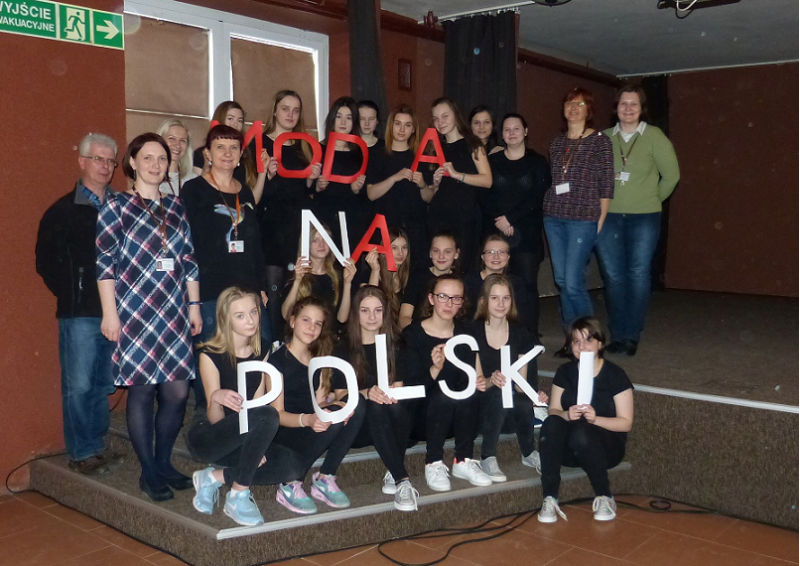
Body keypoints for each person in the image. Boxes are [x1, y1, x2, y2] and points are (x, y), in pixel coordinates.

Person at [96, 133, 202, 501]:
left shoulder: (175, 206)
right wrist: (110, 315)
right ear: (133, 162)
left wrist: (194, 306)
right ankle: (148, 472)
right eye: (147, 158)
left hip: (173, 311)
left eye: (161, 159)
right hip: (134, 312)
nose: (155, 165)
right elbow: (104, 264)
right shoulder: (116, 206)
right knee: (141, 391)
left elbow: (188, 260)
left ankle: (163, 462)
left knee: (177, 391)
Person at [35, 133, 124, 476]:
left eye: (110, 161)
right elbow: (45, 262)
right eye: (98, 159)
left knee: (103, 383)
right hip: (79, 315)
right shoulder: (61, 211)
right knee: (80, 385)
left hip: (117, 312)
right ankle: (81, 451)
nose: (105, 166)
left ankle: (97, 446)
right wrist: (76, 291)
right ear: (82, 162)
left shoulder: (122, 207)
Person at [187, 287, 304, 526]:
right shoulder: (210, 354)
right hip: (210, 434)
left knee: (293, 466)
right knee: (267, 415)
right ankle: (238, 494)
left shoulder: (263, 349)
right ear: (226, 319)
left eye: (254, 312)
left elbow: (257, 404)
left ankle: (214, 477)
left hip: (245, 429)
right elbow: (216, 419)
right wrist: (216, 398)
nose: (250, 320)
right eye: (240, 315)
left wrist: (256, 446)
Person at [597, 85, 680, 356]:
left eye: (634, 104)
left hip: (645, 217)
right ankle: (618, 334)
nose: (628, 109)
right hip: (609, 217)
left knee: (638, 274)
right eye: (624, 103)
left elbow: (672, 176)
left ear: (641, 108)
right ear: (616, 107)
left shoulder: (654, 136)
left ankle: (631, 335)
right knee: (613, 276)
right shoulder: (604, 138)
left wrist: (652, 199)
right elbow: (594, 176)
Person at [268, 297, 366, 514]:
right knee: (333, 414)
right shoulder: (277, 361)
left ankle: (326, 476)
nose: (311, 327)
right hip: (286, 432)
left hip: (311, 424)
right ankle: (290, 482)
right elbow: (277, 415)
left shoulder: (318, 359)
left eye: (318, 323)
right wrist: (308, 419)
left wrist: (338, 405)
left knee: (355, 403)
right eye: (306, 320)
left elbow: (320, 402)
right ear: (292, 321)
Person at [537, 317, 634, 523]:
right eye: (576, 341)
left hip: (605, 448)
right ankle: (549, 498)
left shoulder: (615, 375)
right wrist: (566, 414)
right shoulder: (565, 372)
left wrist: (595, 419)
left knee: (582, 432)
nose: (582, 346)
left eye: (588, 340)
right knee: (551, 423)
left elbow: (626, 422)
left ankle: (605, 496)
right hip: (570, 451)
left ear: (600, 343)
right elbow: (553, 410)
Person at [181, 125, 270, 349]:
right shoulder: (193, 189)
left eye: (233, 147)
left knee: (258, 356)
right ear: (208, 153)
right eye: (220, 147)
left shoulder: (245, 191)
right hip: (211, 292)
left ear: (240, 155)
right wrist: (192, 297)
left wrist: (261, 286)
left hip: (247, 291)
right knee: (214, 360)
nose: (228, 153)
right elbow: (185, 245)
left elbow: (255, 243)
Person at [331, 286, 419, 511]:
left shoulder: (396, 345)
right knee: (373, 405)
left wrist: (386, 393)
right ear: (356, 313)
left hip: (391, 422)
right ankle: (402, 479)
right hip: (358, 425)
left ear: (386, 313)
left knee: (392, 407)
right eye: (365, 310)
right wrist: (367, 393)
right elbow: (340, 396)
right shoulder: (343, 348)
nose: (372, 316)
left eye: (378, 310)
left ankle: (395, 472)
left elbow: (399, 392)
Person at [401, 274, 492, 492]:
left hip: (457, 419)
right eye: (443, 296)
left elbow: (477, 378)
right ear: (431, 298)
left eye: (456, 298)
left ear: (462, 302)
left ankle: (463, 459)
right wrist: (434, 369)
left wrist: (485, 382)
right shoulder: (412, 334)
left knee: (470, 393)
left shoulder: (466, 333)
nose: (449, 304)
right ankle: (433, 462)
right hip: (421, 418)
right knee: (442, 395)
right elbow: (410, 389)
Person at [543, 88, 614, 349]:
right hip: (554, 217)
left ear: (588, 110)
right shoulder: (556, 143)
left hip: (583, 218)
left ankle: (590, 338)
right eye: (569, 104)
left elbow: (606, 184)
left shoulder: (600, 141)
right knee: (562, 281)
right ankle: (571, 337)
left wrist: (600, 220)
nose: (573, 108)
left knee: (573, 281)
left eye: (580, 104)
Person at [471, 274, 547, 483]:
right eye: (494, 298)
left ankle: (529, 453)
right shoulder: (472, 332)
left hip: (510, 410)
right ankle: (487, 456)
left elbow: (521, 385)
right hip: (481, 409)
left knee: (521, 400)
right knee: (498, 393)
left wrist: (535, 395)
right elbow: (477, 384)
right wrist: (491, 380)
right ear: (484, 301)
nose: (501, 303)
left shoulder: (521, 334)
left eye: (506, 298)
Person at [259, 90, 321, 338]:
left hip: (298, 227)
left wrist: (312, 180)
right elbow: (252, 190)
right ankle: (274, 347)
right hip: (270, 228)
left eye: (296, 110)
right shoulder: (260, 144)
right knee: (273, 296)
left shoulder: (304, 146)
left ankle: (294, 346)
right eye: (285, 108)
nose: (290, 115)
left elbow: (305, 192)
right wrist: (268, 175)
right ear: (275, 110)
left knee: (297, 292)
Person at [483, 114, 551, 338]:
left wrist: (511, 218)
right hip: (496, 232)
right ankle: (501, 334)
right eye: (507, 129)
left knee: (527, 285)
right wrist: (501, 220)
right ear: (501, 134)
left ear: (525, 131)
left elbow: (538, 196)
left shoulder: (538, 162)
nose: (511, 133)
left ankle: (530, 336)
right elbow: (484, 193)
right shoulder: (492, 161)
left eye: (516, 128)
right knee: (497, 285)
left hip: (527, 232)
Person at [429, 98, 492, 273]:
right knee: (439, 270)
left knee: (462, 270)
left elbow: (487, 180)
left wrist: (457, 175)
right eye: (435, 118)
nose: (440, 122)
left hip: (464, 218)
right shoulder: (435, 148)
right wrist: (436, 184)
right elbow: (434, 192)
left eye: (445, 116)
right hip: (439, 216)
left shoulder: (473, 144)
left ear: (455, 115)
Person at [366, 105, 433, 263]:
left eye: (407, 125)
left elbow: (430, 198)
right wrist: (393, 178)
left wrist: (422, 185)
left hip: (415, 228)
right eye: (398, 124)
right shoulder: (378, 155)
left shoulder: (421, 157)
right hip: (386, 226)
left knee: (416, 270)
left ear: (413, 129)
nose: (402, 129)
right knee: (386, 271)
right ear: (391, 126)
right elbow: (371, 194)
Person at [314, 96, 369, 245]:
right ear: (332, 119)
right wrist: (317, 187)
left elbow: (367, 193)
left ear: (354, 122)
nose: (343, 122)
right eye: (339, 117)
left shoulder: (360, 153)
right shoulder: (318, 149)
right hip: (324, 216)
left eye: (348, 118)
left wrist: (357, 189)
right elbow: (307, 188)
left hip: (352, 219)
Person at [281, 225, 356, 325]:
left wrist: (347, 283)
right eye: (315, 240)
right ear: (306, 244)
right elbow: (286, 315)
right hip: (305, 332)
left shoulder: (338, 276)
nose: (322, 244)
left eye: (325, 238)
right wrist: (297, 281)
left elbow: (342, 319)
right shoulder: (297, 273)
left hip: (329, 333)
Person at [463, 234, 535, 334]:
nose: (496, 256)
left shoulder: (516, 283)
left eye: (501, 252)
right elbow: (465, 317)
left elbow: (523, 318)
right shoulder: (468, 282)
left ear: (508, 257)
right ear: (482, 257)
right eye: (490, 252)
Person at [399, 230, 459, 329]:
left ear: (456, 253)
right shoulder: (417, 277)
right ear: (430, 253)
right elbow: (404, 317)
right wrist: (422, 332)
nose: (441, 256)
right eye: (436, 251)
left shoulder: (461, 281)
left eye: (447, 251)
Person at [364, 227, 412, 319]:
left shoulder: (410, 276)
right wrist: (375, 271)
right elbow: (368, 307)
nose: (401, 253)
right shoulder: (369, 273)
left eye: (404, 247)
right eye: (394, 248)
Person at [157, 119, 197, 196]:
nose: (177, 145)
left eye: (183, 141)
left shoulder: (194, 180)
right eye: (172, 138)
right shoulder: (151, 176)